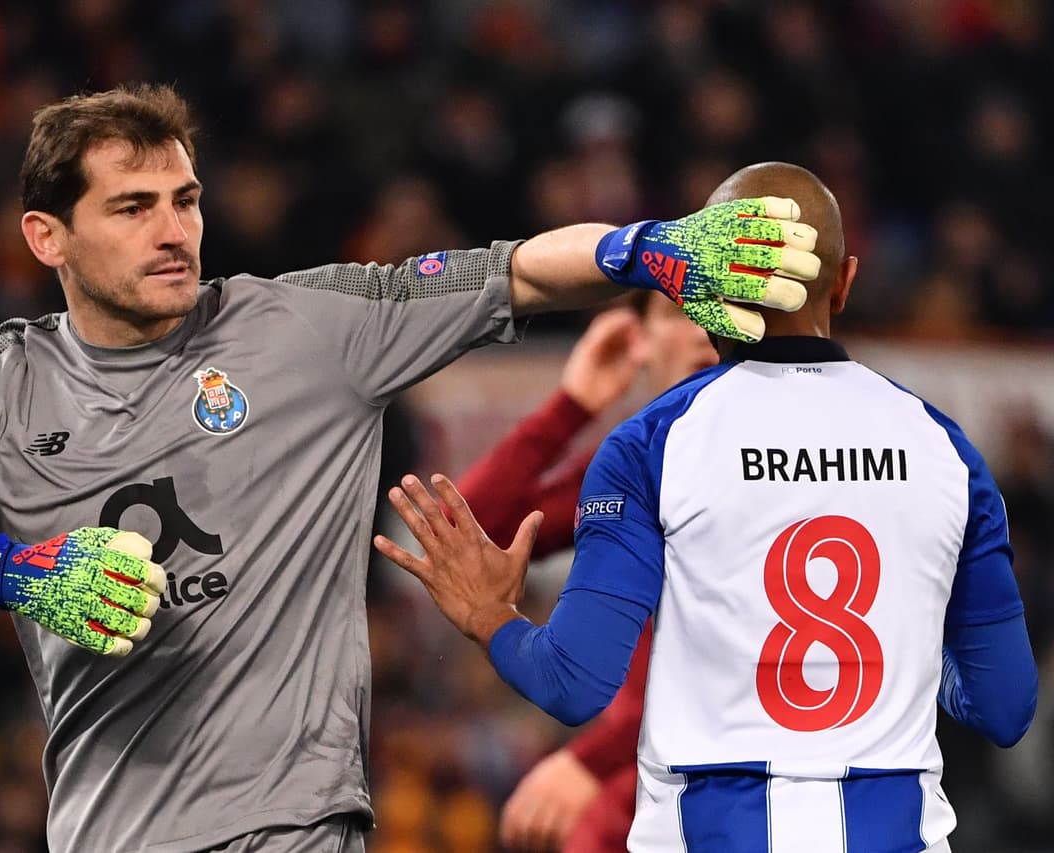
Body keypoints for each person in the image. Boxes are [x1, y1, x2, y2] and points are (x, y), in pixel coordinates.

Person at [0, 82, 822, 853]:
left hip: (297, 825)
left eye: (185, 199)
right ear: (45, 236)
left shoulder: (302, 329)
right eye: (132, 206)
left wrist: (645, 247)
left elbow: (509, 269)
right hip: (107, 832)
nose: (173, 230)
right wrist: (7, 573)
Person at [375, 162, 1039, 851]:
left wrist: (491, 618)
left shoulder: (652, 446)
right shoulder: (947, 450)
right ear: (844, 282)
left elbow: (572, 683)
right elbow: (1005, 706)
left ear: (702, 292)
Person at [453, 293, 717, 851]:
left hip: (728, 781)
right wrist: (572, 403)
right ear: (639, 339)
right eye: (681, 313)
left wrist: (590, 764)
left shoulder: (769, 471)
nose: (703, 331)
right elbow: (467, 531)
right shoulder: (633, 463)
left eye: (720, 312)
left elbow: (740, 668)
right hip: (644, 783)